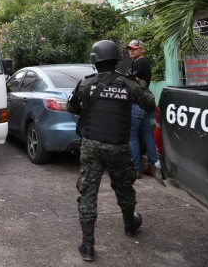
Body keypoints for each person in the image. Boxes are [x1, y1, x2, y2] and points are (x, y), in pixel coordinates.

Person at [67, 40, 156, 261]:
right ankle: (130, 224)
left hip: (91, 145)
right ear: (116, 60)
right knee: (124, 187)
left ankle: (87, 246)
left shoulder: (85, 85)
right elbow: (149, 104)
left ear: (94, 61)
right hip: (118, 145)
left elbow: (71, 107)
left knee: (88, 192)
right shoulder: (129, 84)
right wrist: (140, 84)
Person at [126, 39, 157, 179]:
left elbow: (129, 81)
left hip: (137, 104)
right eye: (129, 49)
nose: (131, 51)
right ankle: (152, 167)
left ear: (141, 50)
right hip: (146, 104)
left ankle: (136, 169)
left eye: (134, 49)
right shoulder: (140, 62)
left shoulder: (140, 63)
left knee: (132, 137)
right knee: (148, 136)